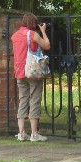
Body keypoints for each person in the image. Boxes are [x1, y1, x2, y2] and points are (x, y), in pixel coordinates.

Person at [10, 12, 51, 142]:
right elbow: (47, 45)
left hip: (19, 72)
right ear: (33, 23)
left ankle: (21, 133)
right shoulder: (33, 34)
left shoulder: (15, 36)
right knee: (34, 100)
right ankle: (34, 133)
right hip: (32, 71)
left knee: (23, 100)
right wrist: (43, 31)